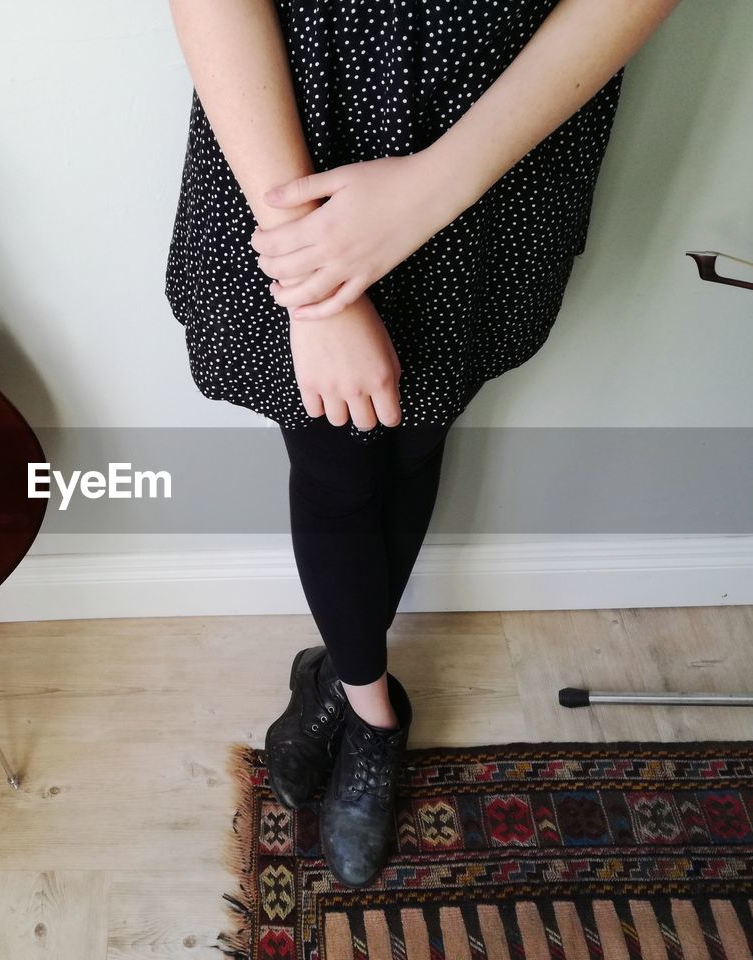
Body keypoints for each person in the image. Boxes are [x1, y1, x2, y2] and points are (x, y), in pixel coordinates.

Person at [165, 0, 682, 888]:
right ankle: (372, 707)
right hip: (301, 136)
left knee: (417, 432)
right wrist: (316, 285)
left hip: (499, 134)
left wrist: (436, 187)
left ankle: (333, 679)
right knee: (334, 454)